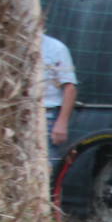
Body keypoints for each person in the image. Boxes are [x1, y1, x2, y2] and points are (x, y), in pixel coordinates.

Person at [42, 31, 77, 162]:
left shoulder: (56, 48)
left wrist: (61, 123)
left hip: (47, 115)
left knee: (46, 164)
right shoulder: (13, 46)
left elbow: (70, 87)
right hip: (18, 115)